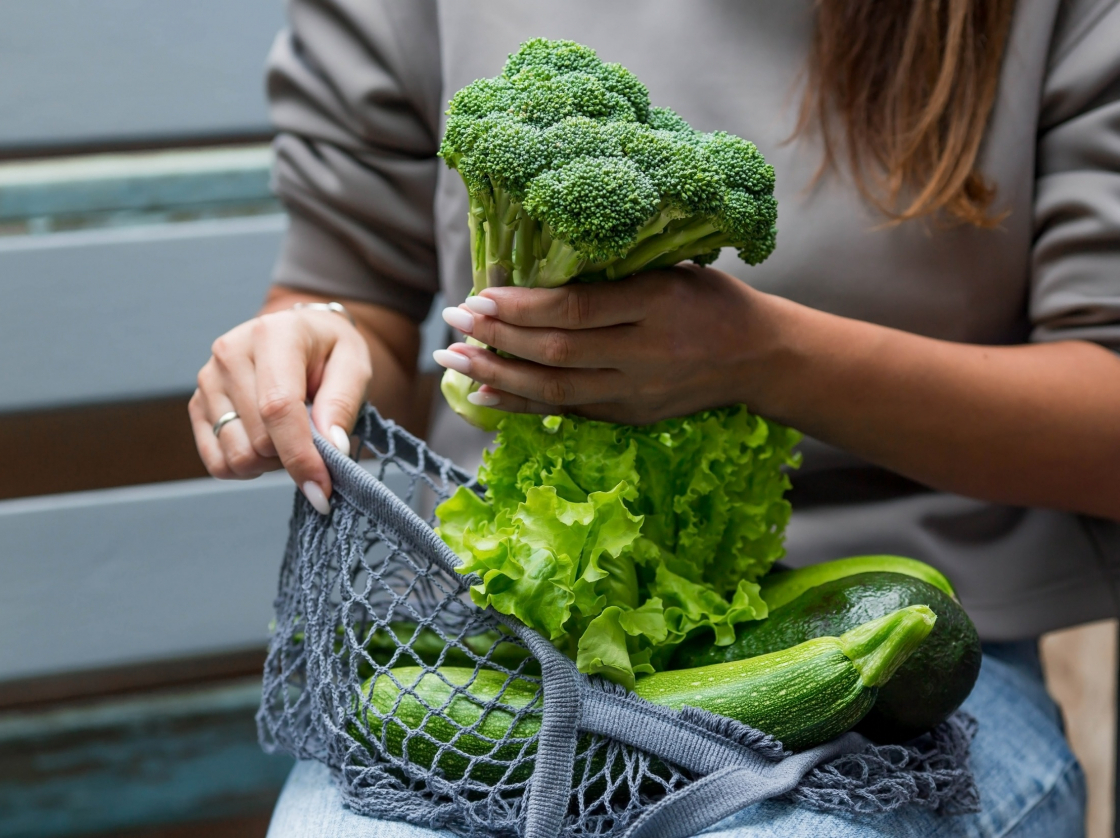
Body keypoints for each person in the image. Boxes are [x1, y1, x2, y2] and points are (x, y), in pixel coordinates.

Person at [190, 1, 1120, 834]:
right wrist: (312, 348)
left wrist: (764, 360)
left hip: (894, 660)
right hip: (502, 635)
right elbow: (351, 291)